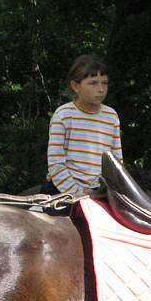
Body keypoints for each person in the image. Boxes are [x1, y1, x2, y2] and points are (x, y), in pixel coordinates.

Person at [45, 54, 122, 196]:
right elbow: (56, 163)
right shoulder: (63, 115)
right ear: (75, 86)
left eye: (104, 83)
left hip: (100, 191)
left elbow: (116, 163)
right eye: (93, 83)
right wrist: (78, 193)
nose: (101, 89)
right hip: (64, 190)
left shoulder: (112, 116)